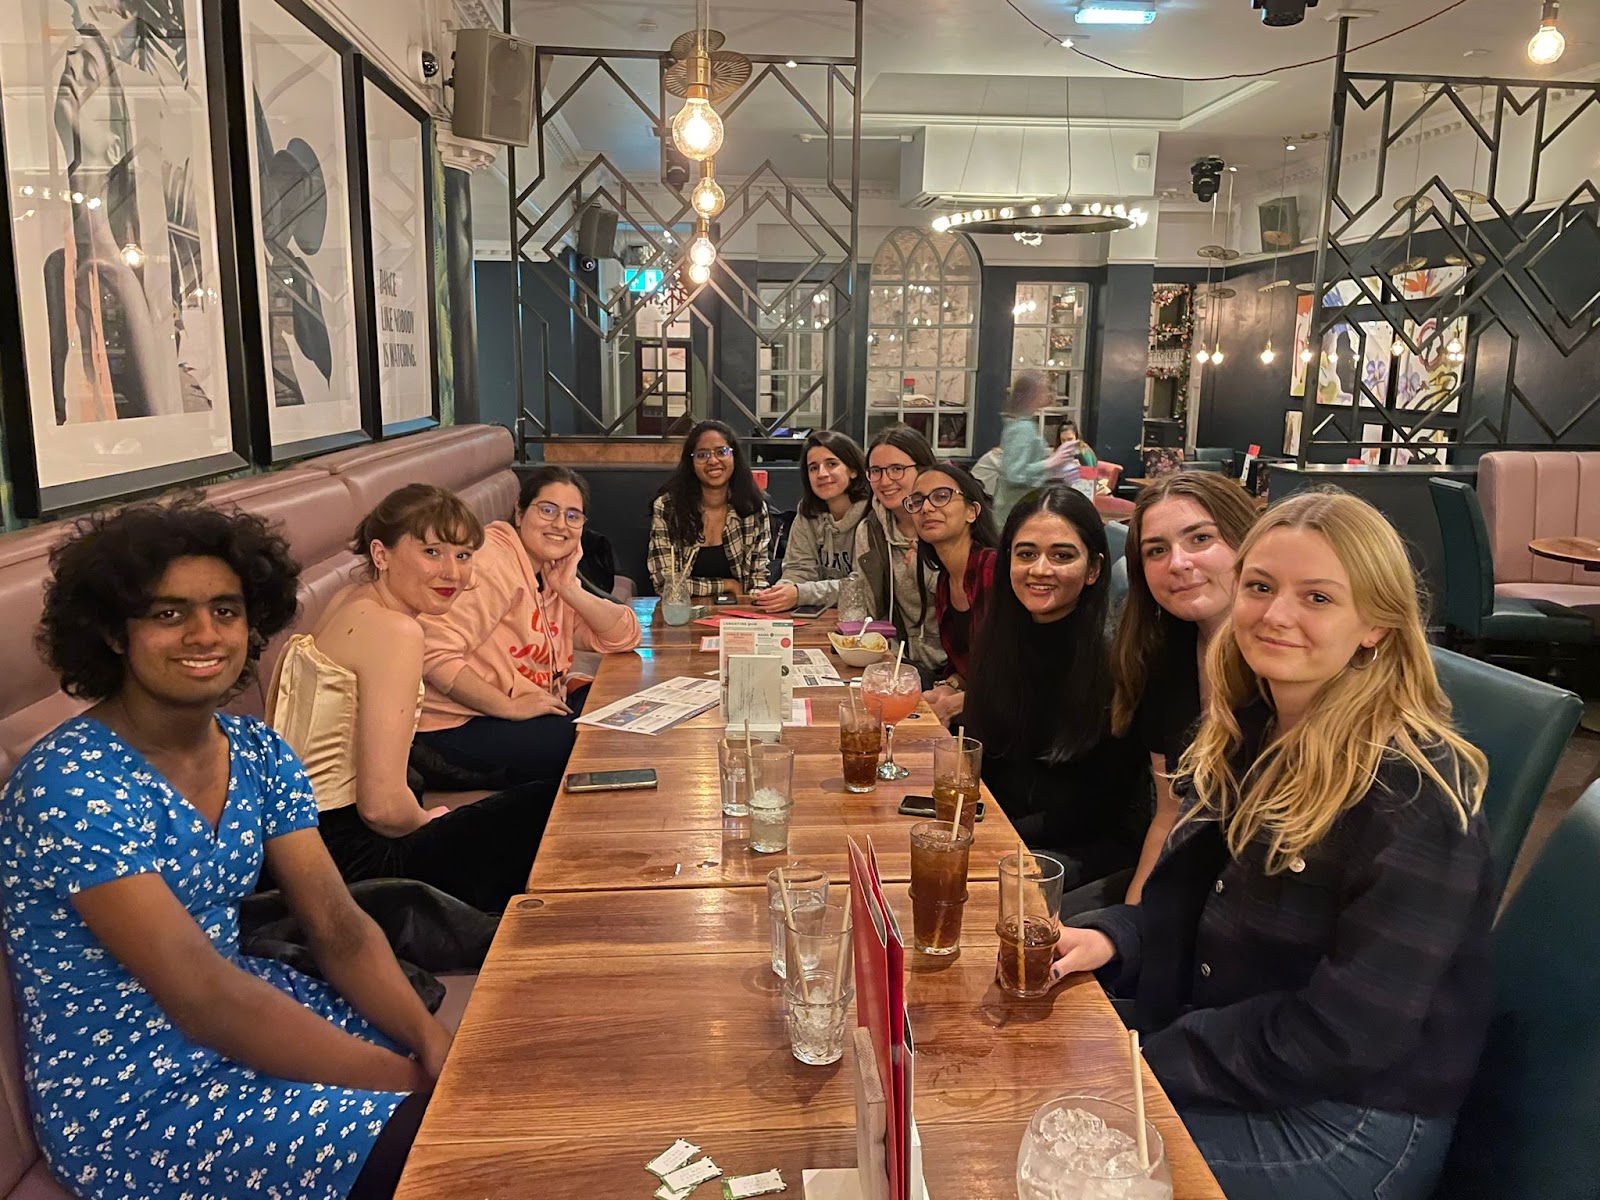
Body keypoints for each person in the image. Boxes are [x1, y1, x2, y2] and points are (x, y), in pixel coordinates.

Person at [2, 496, 451, 1200]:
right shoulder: (68, 782)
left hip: (250, 1012)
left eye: (225, 609)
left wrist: (432, 1044)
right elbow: (202, 994)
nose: (204, 634)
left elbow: (337, 926)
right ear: (115, 633)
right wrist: (410, 1084)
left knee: (513, 1075)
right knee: (453, 1144)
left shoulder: (259, 751)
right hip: (140, 1096)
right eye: (167, 613)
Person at [1051, 490, 1493, 1200]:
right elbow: (1201, 902)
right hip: (1232, 1045)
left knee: (1051, 1157)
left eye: (1317, 597)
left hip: (1347, 1120)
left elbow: (1346, 1035)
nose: (1274, 614)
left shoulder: (1412, 794)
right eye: (1260, 587)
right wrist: (1113, 940)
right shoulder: (1258, 728)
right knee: (1016, 1071)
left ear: (1376, 623)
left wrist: (1145, 1060)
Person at [267, 484, 554, 912]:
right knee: (549, 808)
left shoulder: (347, 601)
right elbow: (382, 808)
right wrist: (428, 820)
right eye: (432, 553)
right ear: (381, 554)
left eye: (463, 555)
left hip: (294, 845)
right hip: (353, 864)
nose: (452, 574)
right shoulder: (397, 632)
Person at [963, 487, 1150, 893]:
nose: (1040, 569)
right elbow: (988, 756)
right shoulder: (1000, 641)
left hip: (1084, 845)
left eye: (1062, 555)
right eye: (1026, 553)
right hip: (1008, 831)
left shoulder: (1115, 661)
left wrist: (995, 833)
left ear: (1094, 569)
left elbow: (1096, 808)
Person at [414, 468, 642, 788]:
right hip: (454, 728)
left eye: (573, 516)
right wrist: (508, 706)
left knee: (625, 710)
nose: (560, 524)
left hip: (523, 707)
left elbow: (623, 636)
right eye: (548, 510)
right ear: (519, 513)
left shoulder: (550, 574)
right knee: (593, 746)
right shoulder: (492, 562)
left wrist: (569, 589)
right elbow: (431, 651)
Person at [1109, 472, 1259, 904]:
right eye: (1157, 550)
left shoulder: (1284, 667)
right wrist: (1132, 920)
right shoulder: (1162, 659)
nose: (1177, 563)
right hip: (1186, 886)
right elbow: (1170, 812)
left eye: (1200, 539)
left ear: (1245, 542)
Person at [850, 425, 946, 684]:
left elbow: (972, 603)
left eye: (897, 469)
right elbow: (867, 605)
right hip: (898, 662)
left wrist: (927, 567)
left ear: (923, 469)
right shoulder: (869, 532)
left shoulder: (946, 525)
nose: (885, 481)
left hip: (955, 667)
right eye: (876, 471)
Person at [906, 462, 1000, 725]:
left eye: (941, 496)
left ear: (972, 511)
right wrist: (949, 686)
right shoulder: (945, 581)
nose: (926, 508)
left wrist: (962, 702)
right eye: (917, 501)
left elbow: (1015, 671)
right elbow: (968, 667)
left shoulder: (993, 569)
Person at [647, 420, 770, 597]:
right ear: (691, 462)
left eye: (722, 452)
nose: (713, 461)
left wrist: (755, 603)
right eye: (702, 455)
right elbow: (665, 583)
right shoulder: (668, 507)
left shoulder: (754, 508)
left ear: (734, 457)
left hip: (738, 616)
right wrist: (726, 585)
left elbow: (758, 578)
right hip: (683, 614)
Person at [752, 430, 871, 613]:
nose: (822, 474)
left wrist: (800, 593)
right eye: (813, 468)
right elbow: (798, 569)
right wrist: (781, 591)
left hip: (866, 622)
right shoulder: (807, 511)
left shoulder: (872, 514)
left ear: (853, 470)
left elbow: (861, 588)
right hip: (821, 616)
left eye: (831, 464)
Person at [993, 371, 1060, 524]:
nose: (1050, 394)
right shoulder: (1023, 428)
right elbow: (1014, 473)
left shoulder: (1023, 423)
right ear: (1033, 393)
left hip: (1019, 508)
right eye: (1046, 389)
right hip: (1014, 511)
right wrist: (1052, 462)